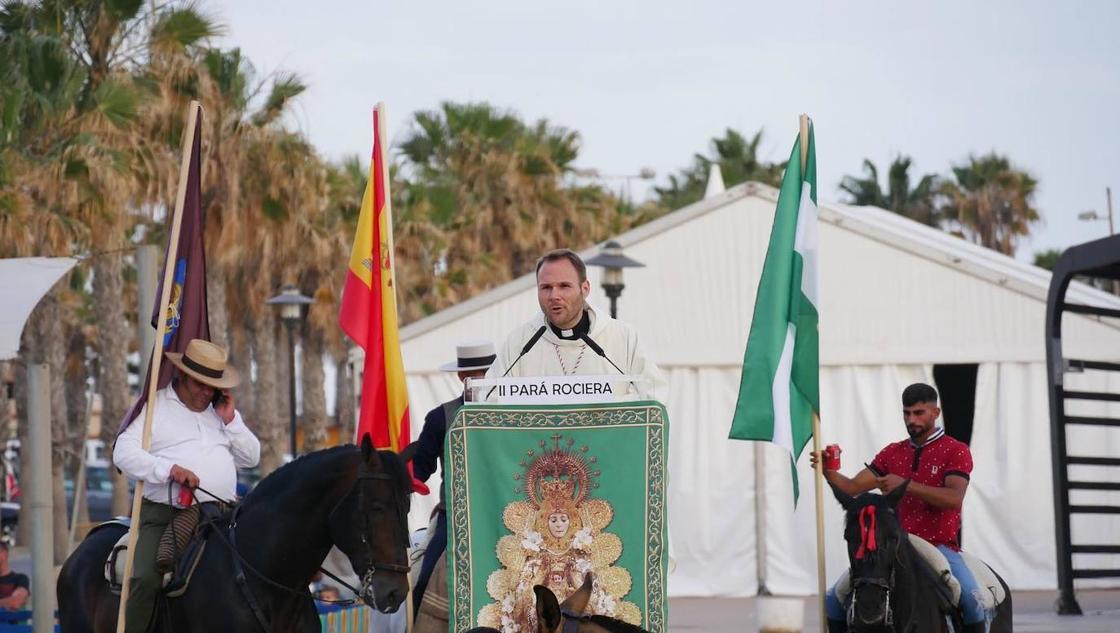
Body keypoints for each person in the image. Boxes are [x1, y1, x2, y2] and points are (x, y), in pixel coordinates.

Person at [812, 383, 986, 633]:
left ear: (936, 413)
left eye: (919, 413)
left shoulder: (955, 450)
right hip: (892, 545)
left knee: (971, 602)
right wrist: (828, 471)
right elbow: (851, 488)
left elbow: (954, 498)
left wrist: (906, 485)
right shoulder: (893, 453)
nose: (911, 420)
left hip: (938, 546)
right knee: (832, 601)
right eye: (907, 413)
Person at [114, 339, 260, 633]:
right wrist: (169, 469)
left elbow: (251, 456)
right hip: (168, 513)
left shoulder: (219, 412)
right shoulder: (155, 408)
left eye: (212, 386)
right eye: (199, 384)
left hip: (223, 515)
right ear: (182, 375)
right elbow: (122, 453)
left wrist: (231, 420)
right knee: (144, 577)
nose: (206, 392)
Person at [488, 248, 665, 399]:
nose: (554, 296)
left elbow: (654, 394)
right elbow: (489, 399)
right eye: (546, 287)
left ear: (585, 288)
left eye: (564, 286)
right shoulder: (519, 344)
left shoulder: (623, 338)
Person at [411, 340, 496, 614]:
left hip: (504, 515)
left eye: (487, 372)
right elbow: (421, 469)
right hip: (454, 519)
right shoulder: (439, 417)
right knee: (422, 582)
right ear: (461, 377)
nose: (482, 379)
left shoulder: (514, 412)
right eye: (475, 374)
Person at [0, 541, 28, 611]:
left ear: (5, 554)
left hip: (10, 621)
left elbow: (16, 602)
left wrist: (11, 601)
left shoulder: (20, 579)